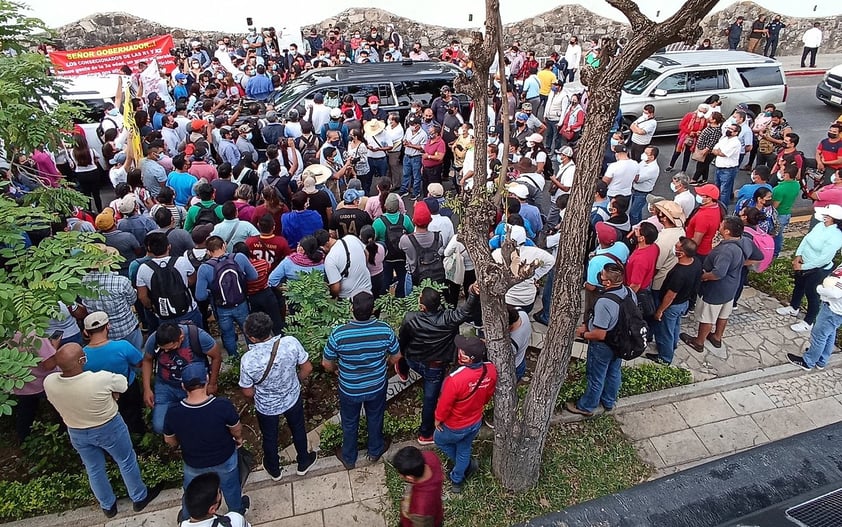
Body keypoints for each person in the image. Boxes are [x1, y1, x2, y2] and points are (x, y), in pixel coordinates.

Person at [44, 343, 161, 517]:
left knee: (93, 468)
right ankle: (139, 496)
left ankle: (108, 506)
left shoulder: (49, 382)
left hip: (76, 431)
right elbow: (122, 384)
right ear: (82, 360)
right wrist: (111, 394)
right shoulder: (100, 379)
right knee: (126, 460)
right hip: (108, 426)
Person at [323, 292, 401, 469]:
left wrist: (337, 370)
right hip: (376, 386)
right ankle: (375, 450)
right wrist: (385, 365)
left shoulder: (339, 334)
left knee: (350, 421)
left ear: (352, 309)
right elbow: (397, 355)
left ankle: (349, 458)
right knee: (375, 416)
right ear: (373, 310)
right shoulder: (384, 329)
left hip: (349, 388)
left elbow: (326, 363)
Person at [164, 362, 249, 522]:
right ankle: (237, 513)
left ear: (183, 386)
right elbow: (236, 428)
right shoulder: (221, 405)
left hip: (193, 462)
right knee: (231, 488)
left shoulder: (174, 412)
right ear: (207, 379)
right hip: (224, 458)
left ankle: (189, 519)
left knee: (192, 492)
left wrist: (179, 443)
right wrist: (238, 439)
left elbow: (170, 440)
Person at [240, 312, 317, 480]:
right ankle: (303, 461)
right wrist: (294, 380)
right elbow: (307, 368)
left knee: (269, 436)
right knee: (298, 429)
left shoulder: (248, 360)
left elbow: (247, 391)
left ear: (252, 338)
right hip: (292, 397)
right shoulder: (290, 343)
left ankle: (274, 469)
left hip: (266, 405)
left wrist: (259, 394)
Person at [399, 284, 479, 444]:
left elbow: (403, 341)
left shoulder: (410, 318)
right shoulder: (448, 319)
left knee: (402, 356)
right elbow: (466, 311)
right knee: (430, 399)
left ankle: (402, 370)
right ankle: (426, 433)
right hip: (435, 367)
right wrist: (472, 293)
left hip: (414, 360)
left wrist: (402, 356)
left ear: (422, 307)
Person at [565, 262, 632, 417]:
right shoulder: (628, 292)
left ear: (607, 282)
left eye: (601, 275)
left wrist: (583, 334)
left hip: (603, 345)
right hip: (620, 341)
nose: (599, 277)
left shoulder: (605, 302)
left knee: (596, 376)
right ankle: (609, 400)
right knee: (614, 371)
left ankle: (587, 406)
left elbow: (600, 334)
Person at [434, 335, 497, 494]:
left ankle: (466, 465)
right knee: (464, 447)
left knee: (439, 440)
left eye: (463, 350)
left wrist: (438, 419)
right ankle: (457, 479)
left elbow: (444, 404)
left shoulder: (455, 379)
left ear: (468, 359)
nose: (459, 351)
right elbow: (488, 395)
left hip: (454, 425)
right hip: (475, 421)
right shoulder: (490, 369)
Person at [679, 216, 747, 351]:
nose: (719, 226)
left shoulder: (726, 251)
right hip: (731, 287)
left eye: (722, 225)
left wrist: (703, 277)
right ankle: (717, 337)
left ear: (727, 231)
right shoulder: (742, 242)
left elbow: (718, 273)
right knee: (723, 314)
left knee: (708, 316)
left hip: (716, 290)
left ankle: (699, 342)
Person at [776, 205, 842, 333]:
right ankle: (793, 307)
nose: (824, 217)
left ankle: (808, 321)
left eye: (827, 216)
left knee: (812, 294)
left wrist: (803, 266)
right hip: (803, 262)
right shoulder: (820, 226)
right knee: (799, 286)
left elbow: (823, 259)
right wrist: (798, 256)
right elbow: (806, 239)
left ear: (834, 219)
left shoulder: (836, 236)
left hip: (817, 270)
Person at [82, 312, 146, 436]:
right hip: (128, 388)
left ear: (86, 332)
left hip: (101, 394)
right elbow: (139, 363)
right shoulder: (123, 346)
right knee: (134, 416)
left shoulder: (82, 355)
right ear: (108, 327)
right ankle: (138, 438)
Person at [194, 236, 257, 358]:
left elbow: (200, 296)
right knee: (249, 331)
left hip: (222, 308)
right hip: (241, 303)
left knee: (228, 335)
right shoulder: (239, 257)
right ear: (224, 245)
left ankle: (234, 360)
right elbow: (253, 276)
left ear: (208, 251)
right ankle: (253, 357)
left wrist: (211, 292)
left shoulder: (205, 268)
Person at [648, 238, 702, 365]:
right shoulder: (696, 263)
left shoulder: (679, 273)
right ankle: (673, 345)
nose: (674, 247)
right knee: (675, 326)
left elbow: (670, 295)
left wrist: (660, 310)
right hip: (684, 302)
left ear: (682, 253)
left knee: (665, 331)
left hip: (672, 306)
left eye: (677, 246)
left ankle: (665, 357)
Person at [392, 446, 444, 527]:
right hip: (437, 511)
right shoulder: (431, 457)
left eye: (400, 473)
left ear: (410, 478)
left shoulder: (421, 508)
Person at [180, 472, 249, 527]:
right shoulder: (235, 520)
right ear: (212, 509)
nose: (220, 493)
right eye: (219, 492)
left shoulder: (183, 524)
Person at [321, 229, 373, 300]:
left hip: (348, 297)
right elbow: (366, 253)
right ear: (330, 236)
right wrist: (362, 268)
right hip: (367, 288)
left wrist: (332, 296)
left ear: (325, 244)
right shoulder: (351, 238)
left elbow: (336, 288)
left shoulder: (330, 259)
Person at [712, 123, 742, 208]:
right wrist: (719, 151)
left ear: (736, 133)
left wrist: (719, 151)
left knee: (724, 191)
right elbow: (714, 150)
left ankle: (723, 209)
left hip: (728, 170)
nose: (728, 130)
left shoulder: (735, 143)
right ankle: (717, 205)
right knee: (717, 188)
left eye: (731, 129)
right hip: (719, 168)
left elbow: (723, 154)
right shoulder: (724, 139)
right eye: (729, 128)